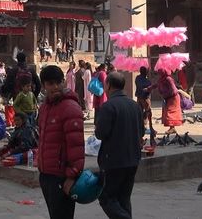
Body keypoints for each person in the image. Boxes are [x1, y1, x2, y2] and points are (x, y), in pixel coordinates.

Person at [37, 65, 85, 219]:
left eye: (58, 82)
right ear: (44, 85)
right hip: (47, 174)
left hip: (62, 176)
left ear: (63, 82)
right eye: (50, 83)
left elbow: (76, 146)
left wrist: (72, 176)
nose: (55, 87)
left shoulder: (70, 107)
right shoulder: (45, 107)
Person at [96, 71, 144, 219]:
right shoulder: (134, 105)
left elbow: (101, 134)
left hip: (114, 160)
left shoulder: (108, 106)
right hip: (133, 159)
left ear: (108, 85)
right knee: (124, 198)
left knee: (107, 198)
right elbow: (141, 131)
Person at [150, 67, 183, 135]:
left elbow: (174, 90)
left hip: (173, 98)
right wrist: (148, 89)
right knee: (167, 112)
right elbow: (156, 85)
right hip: (168, 98)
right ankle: (172, 128)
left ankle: (172, 128)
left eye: (160, 72)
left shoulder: (169, 79)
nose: (159, 74)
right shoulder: (161, 79)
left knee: (170, 112)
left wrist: (166, 95)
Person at [134, 66, 154, 137]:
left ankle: (140, 127)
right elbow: (149, 89)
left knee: (140, 112)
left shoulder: (137, 78)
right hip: (145, 98)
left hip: (139, 97)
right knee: (148, 112)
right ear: (145, 72)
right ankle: (147, 127)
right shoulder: (147, 81)